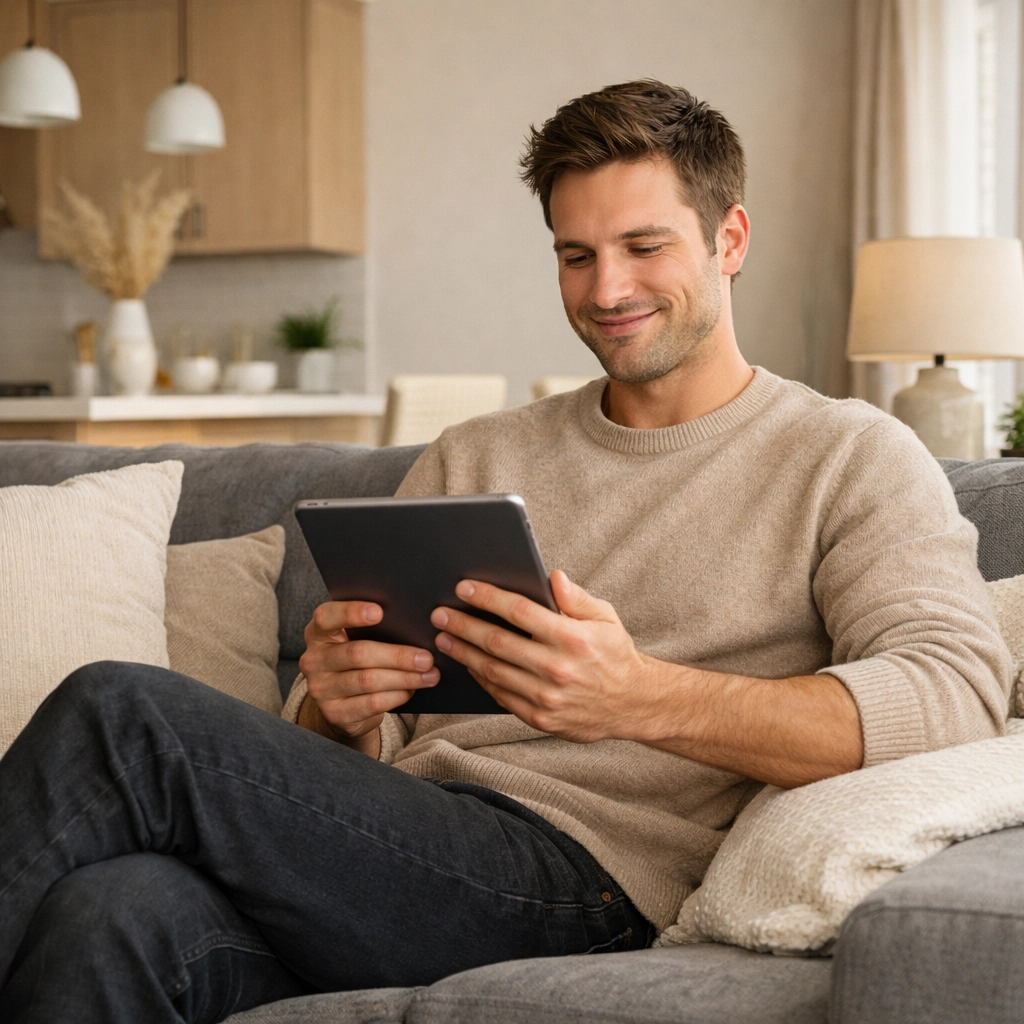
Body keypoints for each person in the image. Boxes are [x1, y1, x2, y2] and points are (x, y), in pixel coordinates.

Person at [0, 81, 1010, 1024]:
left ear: (729, 238)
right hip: (402, 841)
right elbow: (350, 751)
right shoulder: (479, 453)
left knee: (124, 712)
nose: (606, 288)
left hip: (586, 880)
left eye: (642, 246)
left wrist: (637, 696)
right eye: (575, 255)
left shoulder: (847, 453)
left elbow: (952, 691)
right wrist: (336, 708)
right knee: (113, 909)